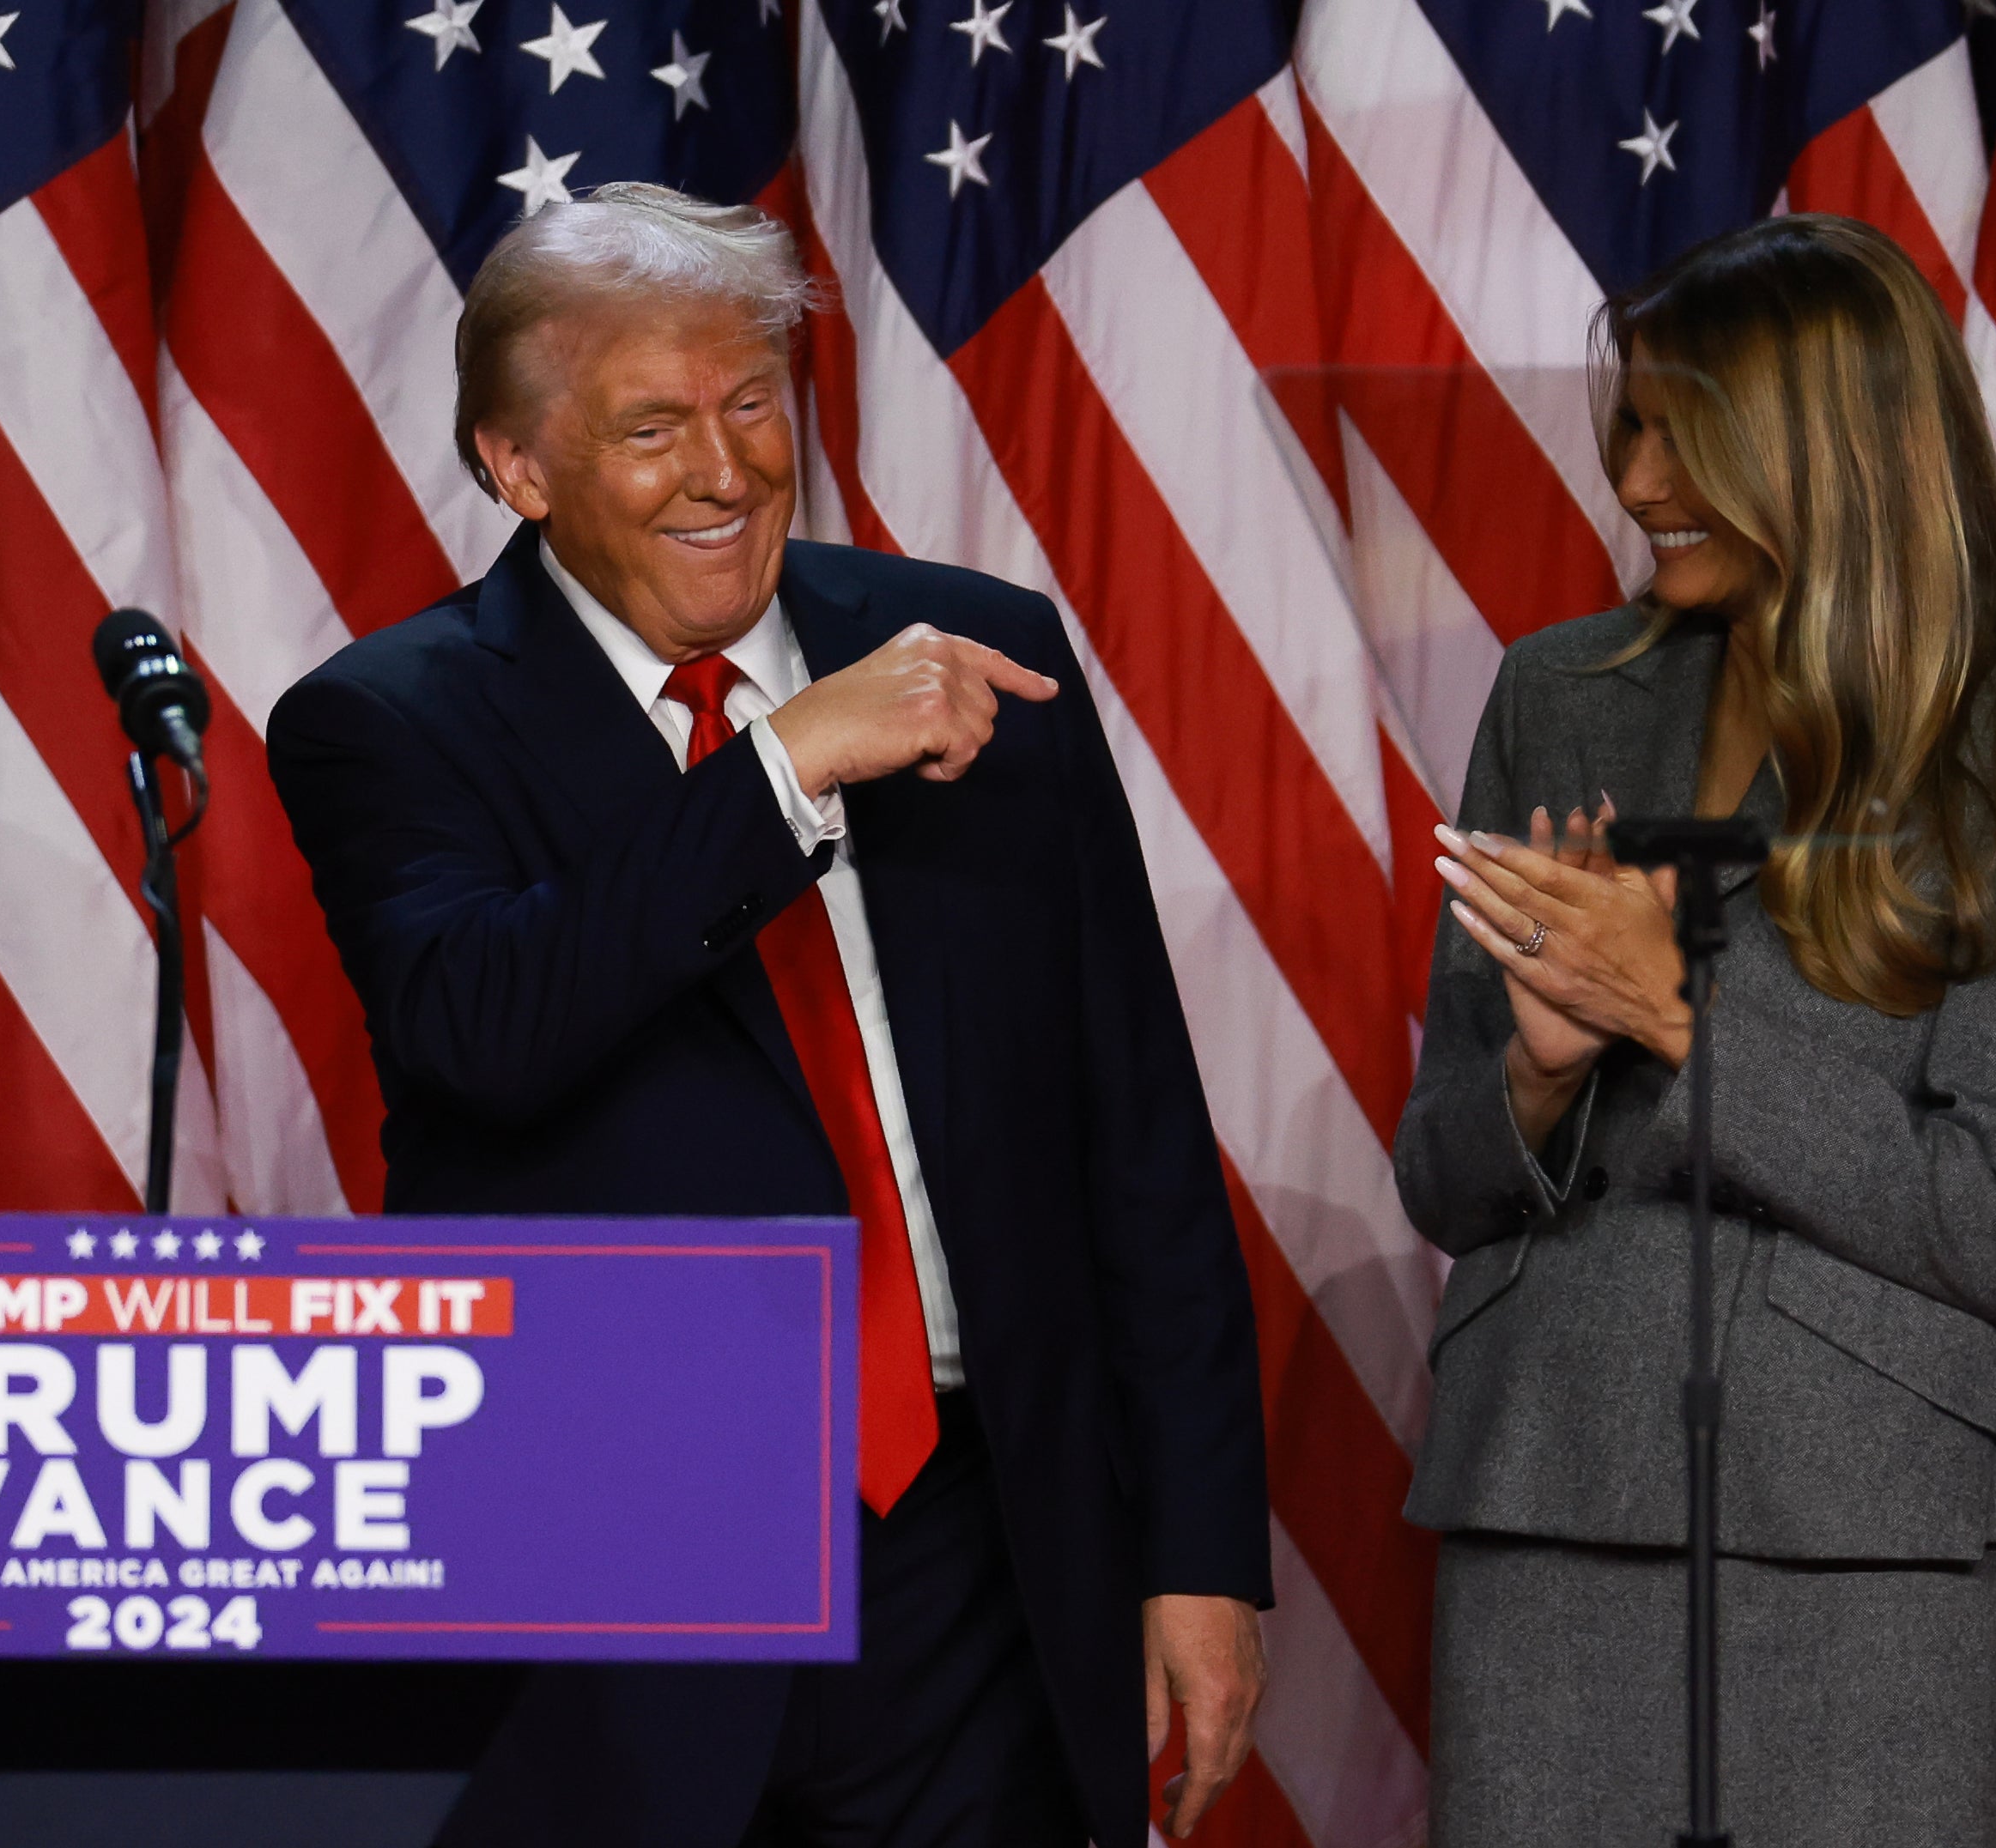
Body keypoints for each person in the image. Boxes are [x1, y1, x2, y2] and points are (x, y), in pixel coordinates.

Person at [265, 183, 1269, 1848]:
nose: (725, 470)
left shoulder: (973, 654)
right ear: (516, 468)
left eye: (750, 403)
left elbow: (1134, 1131)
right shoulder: (390, 721)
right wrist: (785, 764)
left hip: (976, 1548)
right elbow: (485, 1022)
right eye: (652, 427)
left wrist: (1198, 1555)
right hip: (615, 1568)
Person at [1401, 211, 1996, 1846]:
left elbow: (1991, 1219)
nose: (1638, 484)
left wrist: (1675, 1015)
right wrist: (1534, 1070)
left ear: (1824, 450)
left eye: (1679, 435)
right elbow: (1440, 1172)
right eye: (1630, 430)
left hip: (1859, 1541)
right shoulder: (1555, 693)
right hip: (1550, 1500)